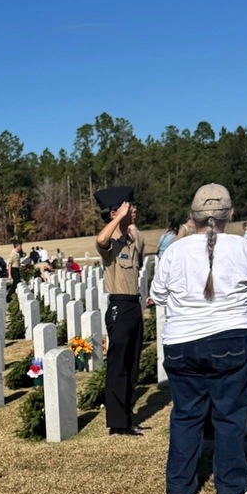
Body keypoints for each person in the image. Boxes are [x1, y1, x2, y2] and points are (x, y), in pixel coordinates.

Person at [151, 184, 247, 494]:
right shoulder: (244, 248)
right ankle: (231, 487)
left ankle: (179, 489)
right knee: (229, 414)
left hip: (182, 340)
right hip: (230, 334)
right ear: (231, 214)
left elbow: (158, 295)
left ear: (193, 216)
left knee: (186, 415)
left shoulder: (175, 250)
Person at [95, 186, 145, 435]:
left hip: (134, 305)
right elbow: (100, 240)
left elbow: (137, 237)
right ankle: (117, 423)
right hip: (119, 306)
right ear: (116, 211)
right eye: (130, 206)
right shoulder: (111, 245)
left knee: (132, 366)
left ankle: (127, 416)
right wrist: (117, 217)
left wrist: (127, 221)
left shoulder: (132, 240)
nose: (134, 210)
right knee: (118, 367)